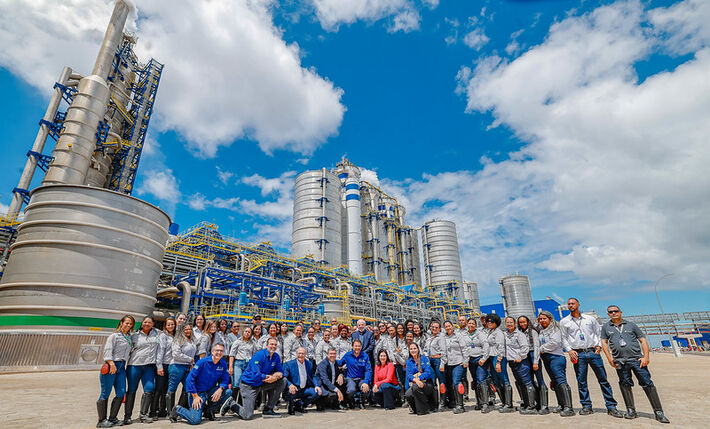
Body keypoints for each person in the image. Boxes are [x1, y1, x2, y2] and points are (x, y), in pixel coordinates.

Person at [601, 305, 670, 423]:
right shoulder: (606, 327)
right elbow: (604, 343)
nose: (613, 313)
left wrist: (646, 357)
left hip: (637, 360)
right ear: (608, 314)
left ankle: (658, 412)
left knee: (648, 384)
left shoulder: (631, 325)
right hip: (620, 361)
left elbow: (642, 340)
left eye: (615, 311)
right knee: (624, 384)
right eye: (610, 312)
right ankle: (631, 410)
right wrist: (610, 359)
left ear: (621, 312)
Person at [560, 298, 623, 417]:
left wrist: (599, 346)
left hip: (593, 352)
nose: (571, 305)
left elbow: (599, 333)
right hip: (578, 354)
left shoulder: (590, 319)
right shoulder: (564, 322)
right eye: (569, 304)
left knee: (603, 380)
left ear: (578, 304)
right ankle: (586, 406)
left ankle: (611, 406)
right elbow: (564, 338)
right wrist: (569, 350)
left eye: (573, 303)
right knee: (581, 381)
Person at [221, 337, 286, 419]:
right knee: (247, 415)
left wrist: (275, 377)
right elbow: (255, 374)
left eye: (275, 345)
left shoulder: (276, 356)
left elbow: (281, 372)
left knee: (283, 381)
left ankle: (268, 409)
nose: (273, 346)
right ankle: (231, 403)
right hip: (249, 385)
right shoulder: (259, 355)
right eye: (271, 344)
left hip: (261, 383)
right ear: (266, 346)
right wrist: (268, 376)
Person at [170, 343, 231, 425]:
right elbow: (189, 379)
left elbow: (225, 379)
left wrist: (220, 389)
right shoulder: (202, 362)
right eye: (217, 350)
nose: (219, 353)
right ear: (212, 351)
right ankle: (178, 409)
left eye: (221, 351)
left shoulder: (223, 364)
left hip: (210, 391)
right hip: (198, 393)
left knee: (228, 392)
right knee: (195, 420)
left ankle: (209, 412)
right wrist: (195, 396)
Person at [96, 315, 134, 428]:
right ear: (121, 323)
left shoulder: (129, 337)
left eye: (131, 324)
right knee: (105, 393)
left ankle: (113, 418)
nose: (128, 325)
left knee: (121, 393)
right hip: (112, 366)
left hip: (122, 367)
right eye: (126, 323)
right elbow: (107, 351)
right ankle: (101, 421)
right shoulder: (114, 336)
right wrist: (111, 364)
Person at [538, 311, 575, 417]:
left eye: (544, 318)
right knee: (554, 382)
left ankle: (569, 407)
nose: (542, 320)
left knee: (561, 380)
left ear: (550, 319)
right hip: (546, 357)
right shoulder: (542, 330)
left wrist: (540, 349)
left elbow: (555, 343)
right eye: (540, 319)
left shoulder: (555, 329)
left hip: (556, 357)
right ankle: (561, 404)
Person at [125, 316, 160, 424]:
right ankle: (127, 416)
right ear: (142, 323)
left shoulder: (157, 334)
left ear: (153, 324)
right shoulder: (134, 335)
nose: (147, 324)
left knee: (149, 388)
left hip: (149, 366)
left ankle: (143, 415)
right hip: (135, 365)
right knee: (131, 390)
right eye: (145, 322)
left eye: (149, 322)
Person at [503, 316, 537, 415]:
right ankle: (526, 405)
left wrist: (520, 357)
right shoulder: (506, 334)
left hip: (521, 362)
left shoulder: (519, 334)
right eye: (507, 322)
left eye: (511, 322)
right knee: (521, 383)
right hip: (512, 363)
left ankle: (532, 407)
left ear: (515, 324)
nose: (509, 324)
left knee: (527, 383)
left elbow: (525, 348)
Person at [518, 315, 549, 414]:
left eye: (524, 322)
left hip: (533, 355)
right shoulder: (520, 333)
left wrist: (536, 361)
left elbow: (536, 346)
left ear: (528, 322)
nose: (522, 324)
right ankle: (537, 403)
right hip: (525, 357)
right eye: (520, 322)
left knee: (540, 380)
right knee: (530, 380)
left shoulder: (533, 331)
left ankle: (545, 406)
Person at [482, 313, 512, 412]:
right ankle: (504, 402)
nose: (489, 323)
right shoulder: (489, 332)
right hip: (490, 358)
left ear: (496, 322)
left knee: (503, 379)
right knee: (495, 380)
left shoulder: (498, 333)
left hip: (498, 358)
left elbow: (501, 347)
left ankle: (509, 404)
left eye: (492, 321)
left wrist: (499, 361)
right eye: (488, 321)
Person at [167, 323, 197, 422]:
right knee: (172, 389)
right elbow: (176, 354)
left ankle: (177, 411)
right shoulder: (177, 340)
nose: (188, 331)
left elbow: (193, 354)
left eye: (189, 329)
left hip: (188, 367)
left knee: (187, 388)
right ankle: (170, 413)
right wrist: (190, 359)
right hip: (177, 366)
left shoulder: (192, 340)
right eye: (186, 330)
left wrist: (191, 363)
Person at [283, 347, 322, 414]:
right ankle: (291, 405)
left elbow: (313, 376)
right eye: (299, 353)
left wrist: (316, 385)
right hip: (294, 389)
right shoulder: (289, 364)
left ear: (305, 355)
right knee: (291, 394)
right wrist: (290, 385)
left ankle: (300, 404)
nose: (301, 355)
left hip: (305, 389)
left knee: (317, 392)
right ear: (296, 354)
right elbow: (284, 377)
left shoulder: (309, 364)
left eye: (303, 353)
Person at [440, 320, 468, 414]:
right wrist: (442, 364)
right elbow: (443, 352)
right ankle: (456, 403)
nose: (448, 328)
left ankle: (461, 406)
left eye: (449, 326)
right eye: (446, 326)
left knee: (457, 382)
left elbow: (464, 348)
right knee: (451, 384)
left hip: (458, 363)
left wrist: (465, 361)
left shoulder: (458, 335)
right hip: (449, 364)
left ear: (452, 326)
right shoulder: (443, 337)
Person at [152, 317, 176, 420]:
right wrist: (159, 366)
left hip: (171, 365)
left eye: (172, 324)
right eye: (169, 324)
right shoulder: (163, 336)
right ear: (165, 326)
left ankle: (163, 410)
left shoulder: (175, 336)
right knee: (158, 388)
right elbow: (160, 351)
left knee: (166, 389)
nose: (171, 326)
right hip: (163, 364)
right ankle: (153, 411)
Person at [338, 339, 373, 409]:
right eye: (355, 346)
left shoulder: (365, 356)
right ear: (352, 346)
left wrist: (366, 382)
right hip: (350, 378)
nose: (357, 348)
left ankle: (361, 402)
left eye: (359, 346)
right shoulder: (347, 355)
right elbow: (339, 363)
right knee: (351, 390)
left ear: (361, 347)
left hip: (361, 378)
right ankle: (351, 402)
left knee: (366, 389)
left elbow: (368, 370)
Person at [465, 317, 489, 411]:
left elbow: (486, 345)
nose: (471, 325)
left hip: (479, 360)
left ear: (475, 325)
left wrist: (484, 358)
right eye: (469, 323)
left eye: (473, 324)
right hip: (471, 360)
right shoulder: (465, 334)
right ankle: (479, 402)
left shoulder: (480, 334)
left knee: (481, 380)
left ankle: (485, 404)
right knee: (475, 381)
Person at [406, 343, 436, 415]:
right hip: (416, 382)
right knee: (408, 394)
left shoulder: (424, 358)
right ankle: (416, 409)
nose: (413, 350)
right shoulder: (409, 361)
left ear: (418, 349)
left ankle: (423, 410)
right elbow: (409, 375)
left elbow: (428, 372)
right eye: (411, 349)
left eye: (414, 348)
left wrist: (419, 378)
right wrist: (416, 380)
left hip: (427, 383)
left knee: (416, 387)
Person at [228, 326, 255, 400]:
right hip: (238, 363)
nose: (247, 333)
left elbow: (254, 355)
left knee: (244, 384)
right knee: (236, 383)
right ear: (243, 332)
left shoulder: (252, 343)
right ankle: (232, 403)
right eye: (246, 331)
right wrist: (230, 367)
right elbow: (232, 355)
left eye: (249, 332)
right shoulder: (237, 342)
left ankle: (240, 403)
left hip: (248, 364)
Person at [426, 320, 447, 412]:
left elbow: (444, 351)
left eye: (436, 327)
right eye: (432, 327)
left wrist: (442, 363)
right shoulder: (429, 338)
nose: (434, 329)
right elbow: (425, 349)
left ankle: (442, 403)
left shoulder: (441, 338)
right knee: (433, 383)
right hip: (430, 361)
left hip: (438, 360)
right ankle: (434, 404)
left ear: (439, 329)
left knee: (442, 382)